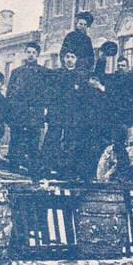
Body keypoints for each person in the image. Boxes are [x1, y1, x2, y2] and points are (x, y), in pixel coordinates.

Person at [42, 50, 89, 180]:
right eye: (67, 57)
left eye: (72, 57)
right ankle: (46, 168)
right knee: (51, 139)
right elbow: (49, 93)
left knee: (70, 142)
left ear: (76, 59)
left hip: (73, 115)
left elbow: (83, 97)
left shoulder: (81, 76)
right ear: (63, 58)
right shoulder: (56, 74)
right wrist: (49, 109)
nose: (69, 59)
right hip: (57, 113)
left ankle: (67, 170)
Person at [7, 41, 49, 176]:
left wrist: (42, 106)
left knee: (33, 141)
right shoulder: (16, 72)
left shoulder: (43, 72)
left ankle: (32, 169)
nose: (31, 55)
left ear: (38, 55)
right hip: (19, 113)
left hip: (34, 112)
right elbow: (10, 93)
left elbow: (48, 93)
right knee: (16, 140)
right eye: (29, 52)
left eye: (34, 53)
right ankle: (13, 167)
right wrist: (11, 111)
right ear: (25, 53)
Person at [60, 12, 95, 80]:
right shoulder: (70, 36)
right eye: (80, 24)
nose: (83, 26)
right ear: (77, 24)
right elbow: (63, 52)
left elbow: (90, 56)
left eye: (85, 25)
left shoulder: (87, 39)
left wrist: (87, 67)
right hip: (70, 67)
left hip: (83, 70)